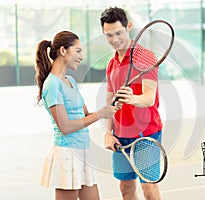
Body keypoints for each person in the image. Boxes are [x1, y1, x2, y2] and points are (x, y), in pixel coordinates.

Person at [34, 30, 116, 200]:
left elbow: (85, 115)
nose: (81, 56)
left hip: (83, 151)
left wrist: (109, 108)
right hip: (67, 154)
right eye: (78, 51)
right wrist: (101, 114)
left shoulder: (70, 81)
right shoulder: (52, 85)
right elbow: (66, 127)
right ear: (63, 51)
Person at [100, 7, 163, 200]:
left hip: (146, 134)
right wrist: (107, 133)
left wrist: (132, 99)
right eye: (109, 35)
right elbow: (109, 102)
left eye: (118, 33)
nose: (115, 39)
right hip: (120, 135)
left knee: (149, 190)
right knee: (125, 188)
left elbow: (149, 97)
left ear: (128, 26)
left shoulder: (144, 57)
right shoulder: (112, 64)